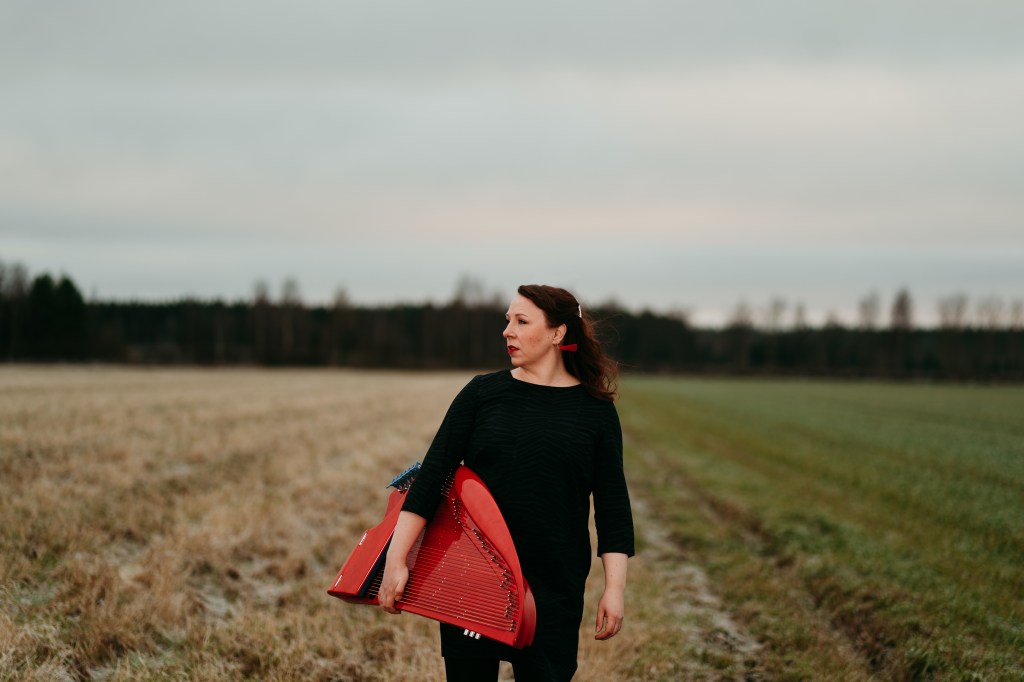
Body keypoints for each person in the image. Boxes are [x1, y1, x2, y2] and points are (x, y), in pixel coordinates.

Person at [377, 284, 635, 681]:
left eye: (521, 321)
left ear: (557, 333)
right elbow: (430, 480)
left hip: (554, 585)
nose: (507, 331)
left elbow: (613, 508)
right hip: (474, 576)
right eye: (508, 320)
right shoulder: (482, 394)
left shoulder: (595, 412)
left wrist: (614, 589)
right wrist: (396, 560)